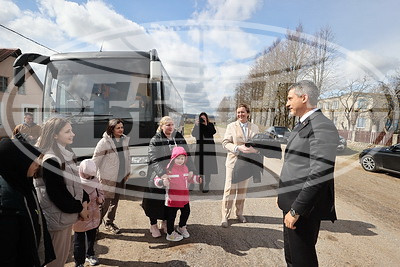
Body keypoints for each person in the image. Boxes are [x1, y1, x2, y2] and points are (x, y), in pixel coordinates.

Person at [277, 80, 339, 266]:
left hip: (303, 209)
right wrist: (284, 198)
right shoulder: (303, 124)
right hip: (291, 203)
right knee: (292, 257)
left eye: (290, 98)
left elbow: (319, 174)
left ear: (304, 98)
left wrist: (296, 209)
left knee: (302, 260)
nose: (287, 103)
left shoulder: (322, 126)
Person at [35, 117, 89, 267]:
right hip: (57, 220)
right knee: (55, 262)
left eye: (71, 130)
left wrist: (84, 200)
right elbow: (57, 194)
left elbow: (74, 183)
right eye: (68, 131)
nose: (73, 134)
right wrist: (80, 209)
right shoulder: (51, 159)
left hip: (63, 218)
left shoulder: (64, 153)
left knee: (61, 259)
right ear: (54, 135)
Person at [0, 136, 55, 267]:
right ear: (18, 163)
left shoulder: (23, 184)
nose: (38, 164)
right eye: (32, 160)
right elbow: (6, 253)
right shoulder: (6, 202)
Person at [142, 116, 197, 238]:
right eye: (167, 125)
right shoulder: (156, 139)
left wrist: (192, 170)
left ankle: (166, 222)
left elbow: (186, 154)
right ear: (161, 126)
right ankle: (153, 225)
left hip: (175, 176)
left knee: (168, 202)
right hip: (158, 174)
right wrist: (162, 173)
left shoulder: (178, 137)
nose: (170, 127)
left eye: (172, 124)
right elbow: (153, 158)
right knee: (155, 201)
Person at [221, 104, 259, 228]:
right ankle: (225, 216)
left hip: (247, 163)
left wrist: (256, 150)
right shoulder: (231, 126)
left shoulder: (255, 127)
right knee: (229, 190)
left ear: (248, 113)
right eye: (238, 112)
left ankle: (239, 213)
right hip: (233, 162)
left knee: (242, 191)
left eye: (242, 112)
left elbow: (259, 143)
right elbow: (225, 142)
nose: (240, 114)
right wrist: (237, 148)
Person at [154, 146, 201, 241]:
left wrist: (197, 179)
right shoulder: (168, 170)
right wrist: (162, 182)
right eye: (178, 158)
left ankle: (182, 227)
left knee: (186, 212)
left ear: (185, 159)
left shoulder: (186, 168)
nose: (180, 161)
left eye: (182, 158)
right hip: (172, 199)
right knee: (171, 217)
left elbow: (190, 179)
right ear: (173, 158)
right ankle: (170, 233)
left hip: (184, 197)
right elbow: (157, 179)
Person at [92, 119, 131, 234]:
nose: (121, 130)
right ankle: (94, 228)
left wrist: (128, 171)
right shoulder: (104, 142)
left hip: (121, 177)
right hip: (107, 178)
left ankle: (109, 223)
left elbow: (127, 156)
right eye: (118, 128)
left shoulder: (124, 140)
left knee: (115, 202)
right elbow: (96, 159)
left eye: (122, 127)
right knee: (104, 204)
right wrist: (91, 175)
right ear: (111, 129)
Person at [73, 159, 104, 267]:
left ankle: (90, 254)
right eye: (86, 175)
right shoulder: (74, 179)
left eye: (90, 176)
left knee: (92, 235)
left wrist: (101, 198)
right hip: (80, 215)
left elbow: (101, 191)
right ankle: (79, 262)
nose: (88, 178)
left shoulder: (95, 179)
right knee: (79, 240)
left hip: (94, 213)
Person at [191, 112, 218, 193]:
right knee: (199, 166)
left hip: (209, 149)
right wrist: (196, 125)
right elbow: (193, 134)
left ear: (206, 118)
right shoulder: (197, 126)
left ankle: (207, 184)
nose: (202, 120)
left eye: (204, 118)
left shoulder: (210, 125)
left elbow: (212, 132)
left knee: (208, 168)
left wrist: (206, 124)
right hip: (200, 149)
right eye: (201, 118)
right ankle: (200, 183)